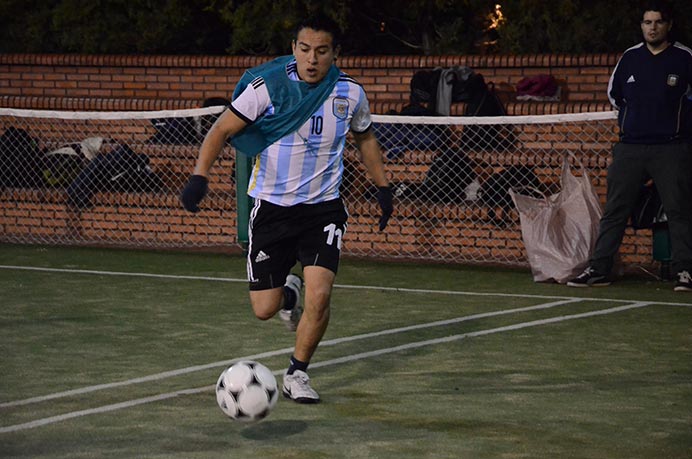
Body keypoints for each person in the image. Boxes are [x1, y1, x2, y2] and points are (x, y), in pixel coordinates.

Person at [180, 15, 393, 403]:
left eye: (322, 51)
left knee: (322, 295)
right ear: (294, 49)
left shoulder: (349, 92)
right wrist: (200, 175)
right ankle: (288, 295)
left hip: (323, 210)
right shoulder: (269, 87)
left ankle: (297, 373)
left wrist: (383, 187)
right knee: (264, 308)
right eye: (305, 49)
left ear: (336, 54)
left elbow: (366, 139)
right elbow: (221, 129)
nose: (312, 59)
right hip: (272, 210)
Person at [567, 1, 692, 291]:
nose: (652, 27)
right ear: (642, 26)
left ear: (668, 25)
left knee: (679, 210)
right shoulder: (630, 58)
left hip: (671, 149)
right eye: (647, 22)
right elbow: (615, 96)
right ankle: (599, 270)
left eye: (658, 22)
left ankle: (685, 271)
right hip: (630, 149)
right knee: (615, 210)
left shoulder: (684, 58)